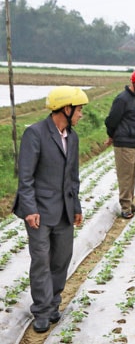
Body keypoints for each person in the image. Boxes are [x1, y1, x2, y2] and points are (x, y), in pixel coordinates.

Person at [12, 86, 88, 333]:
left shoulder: (72, 137)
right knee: (42, 261)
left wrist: (76, 206)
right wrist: (30, 209)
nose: (81, 115)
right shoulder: (35, 133)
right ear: (66, 109)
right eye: (79, 111)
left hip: (64, 210)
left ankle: (54, 302)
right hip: (39, 212)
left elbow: (73, 177)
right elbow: (26, 177)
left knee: (61, 259)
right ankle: (42, 310)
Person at [104, 69, 135, 219]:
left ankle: (130, 202)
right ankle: (125, 207)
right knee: (125, 176)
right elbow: (111, 120)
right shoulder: (122, 99)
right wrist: (111, 136)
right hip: (124, 143)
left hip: (133, 143)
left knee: (131, 175)